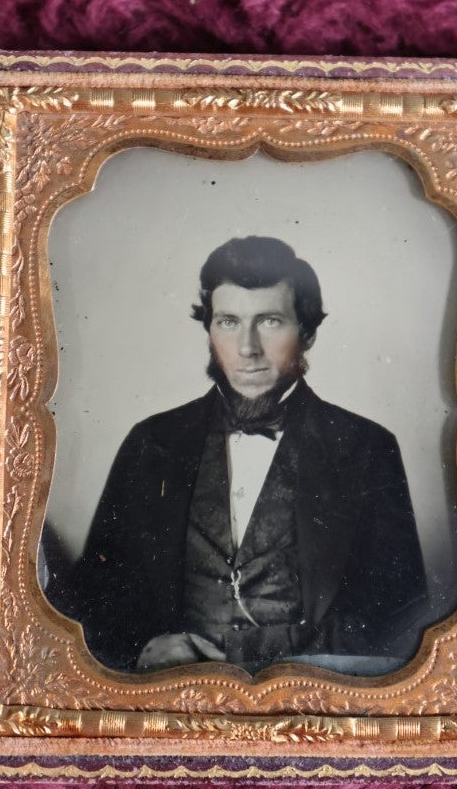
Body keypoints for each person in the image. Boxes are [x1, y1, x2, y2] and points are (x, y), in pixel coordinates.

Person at [46, 236, 428, 674]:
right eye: (228, 322)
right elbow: (97, 601)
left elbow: (396, 617)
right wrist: (147, 647)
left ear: (308, 332)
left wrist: (247, 651)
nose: (247, 349)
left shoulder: (366, 447)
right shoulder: (151, 443)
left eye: (269, 321)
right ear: (208, 330)